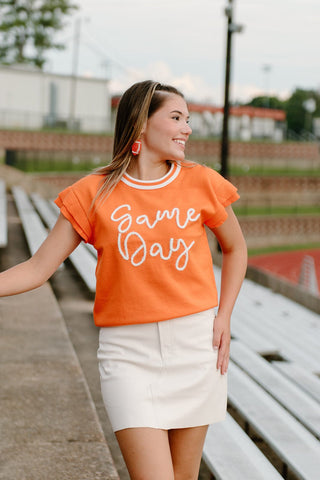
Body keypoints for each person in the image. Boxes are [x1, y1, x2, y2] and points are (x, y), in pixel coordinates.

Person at [0, 80, 247, 480]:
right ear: (141, 125)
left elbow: (236, 249)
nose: (187, 128)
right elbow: (36, 268)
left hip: (195, 347)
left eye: (188, 119)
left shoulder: (201, 181)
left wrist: (225, 315)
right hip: (128, 356)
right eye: (176, 117)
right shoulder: (92, 193)